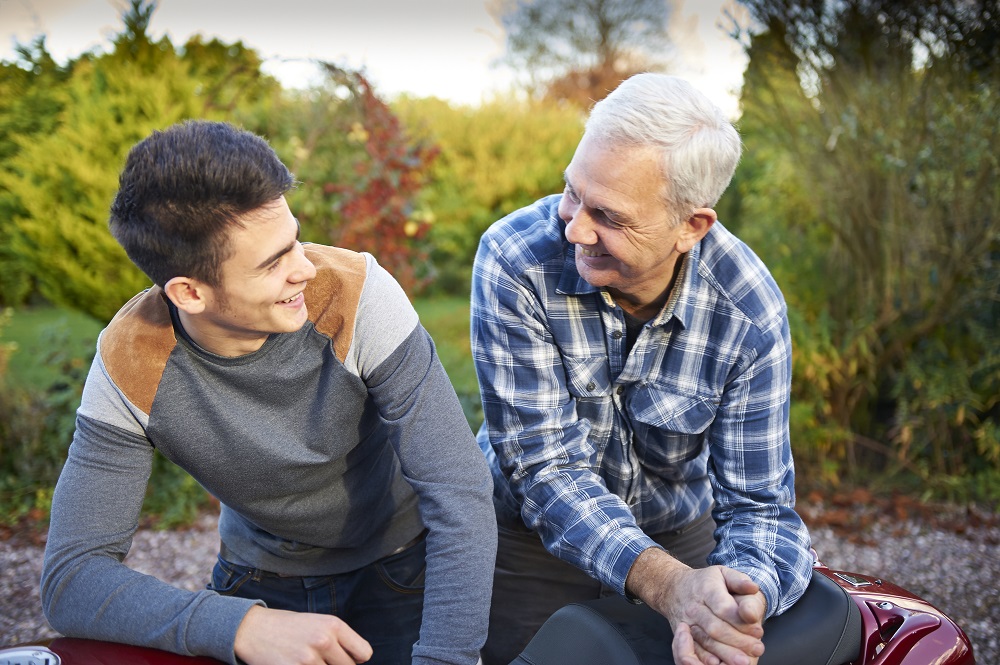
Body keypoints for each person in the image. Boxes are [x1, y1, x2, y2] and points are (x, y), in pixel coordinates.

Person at [41, 120, 496, 665]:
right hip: (257, 577)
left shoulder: (357, 296)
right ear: (189, 292)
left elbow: (460, 492)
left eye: (294, 240)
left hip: (403, 568)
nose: (304, 268)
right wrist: (239, 625)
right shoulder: (132, 360)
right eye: (272, 262)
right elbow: (73, 577)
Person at [471, 73, 813, 665]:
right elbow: (542, 466)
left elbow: (759, 506)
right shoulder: (516, 259)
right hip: (524, 544)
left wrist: (734, 602)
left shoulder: (748, 312)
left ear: (692, 225)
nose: (574, 226)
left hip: (678, 533)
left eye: (608, 214)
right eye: (572, 191)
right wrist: (670, 587)